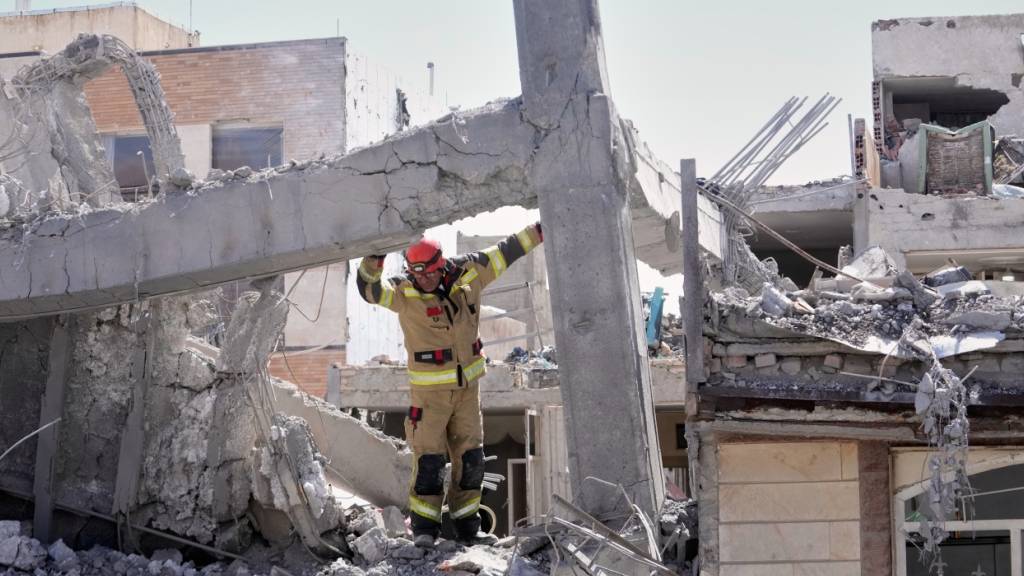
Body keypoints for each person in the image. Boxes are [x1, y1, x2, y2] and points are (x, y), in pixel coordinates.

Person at [355, 222, 544, 548]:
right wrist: (376, 253)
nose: (422, 280)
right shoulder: (404, 292)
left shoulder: (470, 273)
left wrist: (541, 230)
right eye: (416, 273)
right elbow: (369, 290)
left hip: (468, 392)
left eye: (428, 273)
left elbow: (507, 250)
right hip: (429, 398)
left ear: (441, 265)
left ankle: (467, 528)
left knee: (471, 461)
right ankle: (425, 529)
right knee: (429, 463)